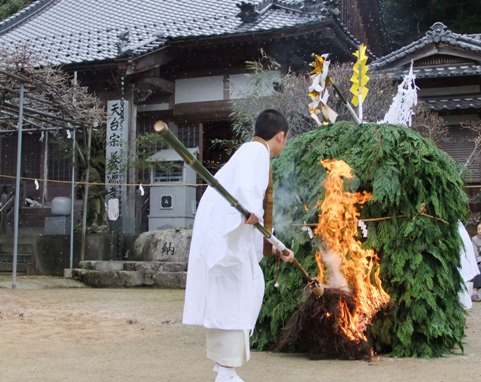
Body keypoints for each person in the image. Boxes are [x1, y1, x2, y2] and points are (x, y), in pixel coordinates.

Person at [182, 109, 295, 382]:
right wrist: (250, 209)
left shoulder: (250, 153)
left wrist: (275, 244)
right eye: (286, 139)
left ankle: (224, 369)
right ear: (280, 136)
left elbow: (254, 210)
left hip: (228, 235)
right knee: (237, 298)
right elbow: (247, 194)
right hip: (228, 237)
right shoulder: (255, 153)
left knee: (232, 299)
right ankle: (226, 372)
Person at [470, 222, 481, 302]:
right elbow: (475, 255)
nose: (480, 231)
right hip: (479, 261)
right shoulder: (474, 239)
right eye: (479, 229)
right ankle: (474, 292)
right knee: (478, 268)